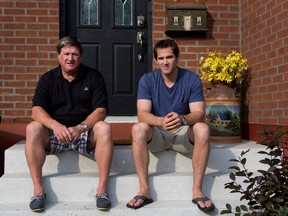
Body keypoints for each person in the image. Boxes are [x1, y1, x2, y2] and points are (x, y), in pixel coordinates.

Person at [25, 36, 114, 212]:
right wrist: (55, 126)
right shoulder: (47, 79)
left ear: (80, 56)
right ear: (59, 56)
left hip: (83, 133)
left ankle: (102, 190)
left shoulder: (93, 77)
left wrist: (80, 127)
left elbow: (101, 111)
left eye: (74, 54)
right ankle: (38, 191)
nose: (70, 58)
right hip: (55, 135)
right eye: (66, 54)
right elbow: (36, 110)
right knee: (32, 127)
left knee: (104, 127)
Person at [126, 39, 215, 212]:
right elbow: (142, 114)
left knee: (203, 129)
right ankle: (144, 190)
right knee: (138, 128)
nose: (165, 62)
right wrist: (159, 121)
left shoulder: (191, 79)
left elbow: (199, 113)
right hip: (157, 134)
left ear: (177, 58)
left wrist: (183, 119)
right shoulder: (147, 80)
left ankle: (197, 190)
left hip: (182, 134)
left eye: (169, 57)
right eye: (161, 58)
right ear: (156, 60)